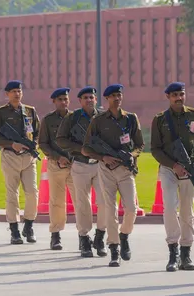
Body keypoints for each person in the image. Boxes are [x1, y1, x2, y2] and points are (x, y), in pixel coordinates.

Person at [150, 82, 194, 272]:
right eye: (175, 95)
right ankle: (173, 252)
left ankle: (186, 253)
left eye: (181, 94)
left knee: (187, 211)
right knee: (169, 207)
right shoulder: (160, 119)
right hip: (169, 169)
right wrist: (173, 165)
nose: (179, 98)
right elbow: (155, 149)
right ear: (168, 97)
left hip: (191, 169)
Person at [82, 84, 144, 267]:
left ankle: (124, 235)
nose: (117, 98)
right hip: (106, 170)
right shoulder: (99, 120)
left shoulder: (131, 119)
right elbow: (86, 148)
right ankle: (114, 249)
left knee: (131, 209)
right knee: (110, 210)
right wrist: (103, 157)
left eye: (119, 95)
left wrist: (131, 156)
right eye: (113, 96)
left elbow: (139, 145)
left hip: (125, 170)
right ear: (107, 99)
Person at [56, 86, 107, 257]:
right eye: (85, 97)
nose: (89, 100)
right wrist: (80, 149)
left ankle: (100, 236)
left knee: (105, 202)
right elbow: (61, 139)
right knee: (83, 203)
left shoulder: (103, 117)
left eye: (91, 97)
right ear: (80, 101)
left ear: (96, 99)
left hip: (100, 165)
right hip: (80, 164)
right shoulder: (73, 118)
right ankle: (84, 238)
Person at [0, 80, 40, 245]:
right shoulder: (1, 113)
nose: (16, 94)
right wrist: (12, 144)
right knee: (12, 194)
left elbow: (38, 132)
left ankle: (29, 225)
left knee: (32, 192)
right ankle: (14, 230)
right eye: (13, 92)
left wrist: (34, 145)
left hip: (28, 157)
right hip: (10, 156)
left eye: (19, 91)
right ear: (7, 94)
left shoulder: (30, 111)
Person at [38, 87, 75, 250]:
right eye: (60, 99)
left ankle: (84, 235)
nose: (63, 102)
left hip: (75, 164)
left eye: (65, 99)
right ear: (54, 102)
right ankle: (55, 234)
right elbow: (43, 143)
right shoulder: (48, 120)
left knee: (82, 200)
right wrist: (57, 157)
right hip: (56, 164)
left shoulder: (76, 118)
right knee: (57, 201)